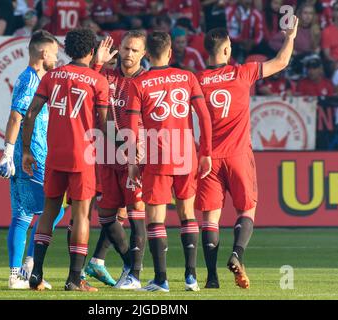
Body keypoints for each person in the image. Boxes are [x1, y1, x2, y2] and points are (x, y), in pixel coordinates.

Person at [195, 17, 299, 289]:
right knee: (247, 209)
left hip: (208, 158)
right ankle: (237, 253)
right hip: (238, 154)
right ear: (227, 50)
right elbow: (281, 61)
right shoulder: (243, 72)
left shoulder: (198, 81)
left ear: (208, 50)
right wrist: (289, 36)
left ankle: (212, 278)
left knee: (209, 218)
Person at [23, 28, 110, 292]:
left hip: (55, 155)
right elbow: (104, 125)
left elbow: (31, 114)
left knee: (48, 212)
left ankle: (36, 273)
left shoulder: (51, 76)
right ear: (92, 51)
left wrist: (26, 149)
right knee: (82, 216)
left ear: (66, 49)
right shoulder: (98, 81)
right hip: (82, 157)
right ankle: (74, 278)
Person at [127, 31, 213, 292]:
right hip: (186, 155)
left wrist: (133, 160)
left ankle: (161, 279)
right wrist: (206, 152)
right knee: (188, 215)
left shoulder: (139, 83)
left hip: (157, 158)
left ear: (147, 55)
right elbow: (204, 116)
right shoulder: (187, 77)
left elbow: (131, 127)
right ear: (170, 52)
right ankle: (191, 277)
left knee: (155, 219)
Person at [0, 30, 64, 289]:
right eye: (55, 54)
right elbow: (16, 117)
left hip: (25, 156)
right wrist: (9, 151)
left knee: (23, 215)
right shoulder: (29, 80)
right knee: (55, 207)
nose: (56, 60)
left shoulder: (35, 78)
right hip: (32, 156)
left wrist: (8, 153)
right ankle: (29, 266)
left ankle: (17, 275)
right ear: (43, 53)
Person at [90, 31, 148, 290]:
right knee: (105, 215)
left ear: (143, 54)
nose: (129, 54)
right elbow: (89, 84)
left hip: (134, 157)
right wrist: (98, 62)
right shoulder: (108, 77)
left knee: (135, 214)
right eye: (125, 48)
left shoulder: (147, 81)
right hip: (105, 154)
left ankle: (134, 272)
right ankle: (129, 264)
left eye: (135, 50)